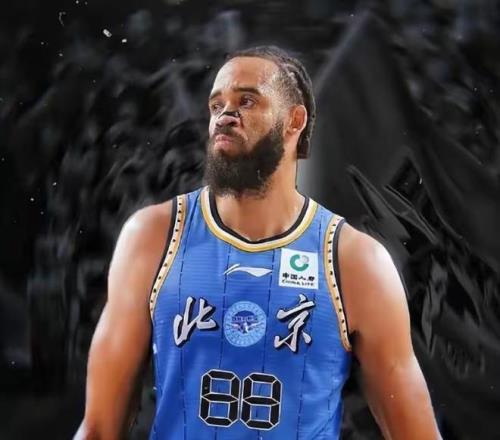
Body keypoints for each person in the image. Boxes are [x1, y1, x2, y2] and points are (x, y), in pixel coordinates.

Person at [75, 46, 441, 439]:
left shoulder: (355, 261)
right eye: (217, 105)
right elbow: (97, 429)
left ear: (294, 120)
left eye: (246, 100)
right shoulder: (153, 237)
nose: (225, 115)